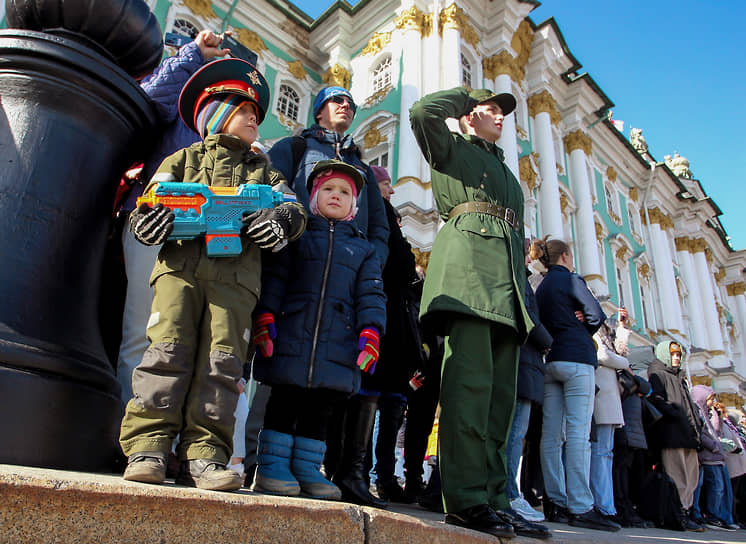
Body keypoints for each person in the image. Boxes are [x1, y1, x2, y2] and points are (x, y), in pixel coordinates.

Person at [118, 58, 307, 491]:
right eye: (245, 113)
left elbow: (292, 209)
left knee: (221, 364)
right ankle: (149, 446)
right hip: (178, 273)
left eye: (257, 116)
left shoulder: (264, 170)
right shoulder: (181, 158)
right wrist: (148, 220)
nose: (255, 122)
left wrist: (279, 222)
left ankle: (206, 456)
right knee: (165, 352)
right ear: (216, 114)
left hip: (236, 281)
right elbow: (150, 201)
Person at [409, 86, 548, 540]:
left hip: (506, 290)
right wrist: (467, 96)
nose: (500, 117)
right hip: (468, 280)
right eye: (490, 111)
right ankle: (466, 500)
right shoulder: (451, 149)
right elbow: (422, 111)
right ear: (469, 117)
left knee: (498, 405)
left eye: (502, 112)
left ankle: (495, 499)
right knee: (468, 393)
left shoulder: (506, 171)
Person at [250, 160, 386, 501]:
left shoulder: (362, 248)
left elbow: (371, 293)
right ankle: (271, 468)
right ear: (312, 197)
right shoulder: (297, 238)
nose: (335, 196)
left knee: (320, 409)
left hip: (338, 342)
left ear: (354, 205)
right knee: (284, 400)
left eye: (344, 192)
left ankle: (307, 468)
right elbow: (276, 279)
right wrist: (265, 317)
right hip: (292, 332)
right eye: (328, 189)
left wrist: (371, 332)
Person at [116, 30, 233, 405]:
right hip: (154, 222)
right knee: (143, 330)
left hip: (202, 236)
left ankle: (171, 441)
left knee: (188, 340)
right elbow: (147, 101)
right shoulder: (181, 107)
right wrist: (192, 56)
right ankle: (126, 429)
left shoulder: (234, 134)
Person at [533, 237, 618, 532]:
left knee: (551, 435)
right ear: (566, 256)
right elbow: (596, 314)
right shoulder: (572, 279)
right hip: (577, 359)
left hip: (551, 360)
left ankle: (554, 502)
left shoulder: (542, 286)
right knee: (579, 434)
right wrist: (581, 324)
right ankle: (581, 506)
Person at [267, 86, 389, 268]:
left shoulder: (363, 168)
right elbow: (269, 193)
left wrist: (372, 261)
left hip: (349, 266)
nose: (346, 105)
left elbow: (378, 224)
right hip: (298, 261)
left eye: (351, 105)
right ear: (319, 112)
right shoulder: (293, 147)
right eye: (337, 100)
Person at [366, 166, 426, 504]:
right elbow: (402, 264)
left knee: (389, 406)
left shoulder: (386, 216)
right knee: (382, 405)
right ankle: (378, 475)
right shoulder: (380, 215)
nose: (392, 190)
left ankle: (382, 475)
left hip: (395, 326)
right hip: (386, 320)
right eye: (387, 184)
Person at [505, 239, 552, 522]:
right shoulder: (520, 278)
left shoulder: (519, 277)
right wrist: (547, 341)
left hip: (523, 362)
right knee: (514, 433)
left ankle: (511, 491)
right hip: (524, 361)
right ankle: (510, 493)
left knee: (514, 433)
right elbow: (528, 317)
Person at [647, 341, 705, 530]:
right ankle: (676, 512)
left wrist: (696, 421)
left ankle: (685, 511)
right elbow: (657, 399)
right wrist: (675, 413)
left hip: (688, 435)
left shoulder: (680, 377)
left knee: (691, 478)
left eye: (679, 354)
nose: (677, 358)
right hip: (672, 434)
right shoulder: (658, 374)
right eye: (673, 354)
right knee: (677, 476)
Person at [590, 309, 631, 523]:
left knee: (607, 453)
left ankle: (607, 504)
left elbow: (619, 352)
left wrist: (623, 330)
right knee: (601, 452)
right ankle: (602, 504)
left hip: (610, 398)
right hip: (602, 396)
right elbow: (603, 355)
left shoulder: (606, 334)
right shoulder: (594, 330)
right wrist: (624, 364)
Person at [690, 385, 739, 530]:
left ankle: (717, 516)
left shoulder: (708, 413)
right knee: (714, 487)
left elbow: (717, 431)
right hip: (708, 455)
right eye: (710, 399)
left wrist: (717, 416)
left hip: (715, 455)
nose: (713, 402)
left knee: (719, 488)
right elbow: (704, 433)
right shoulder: (699, 413)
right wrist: (714, 446)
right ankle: (710, 515)